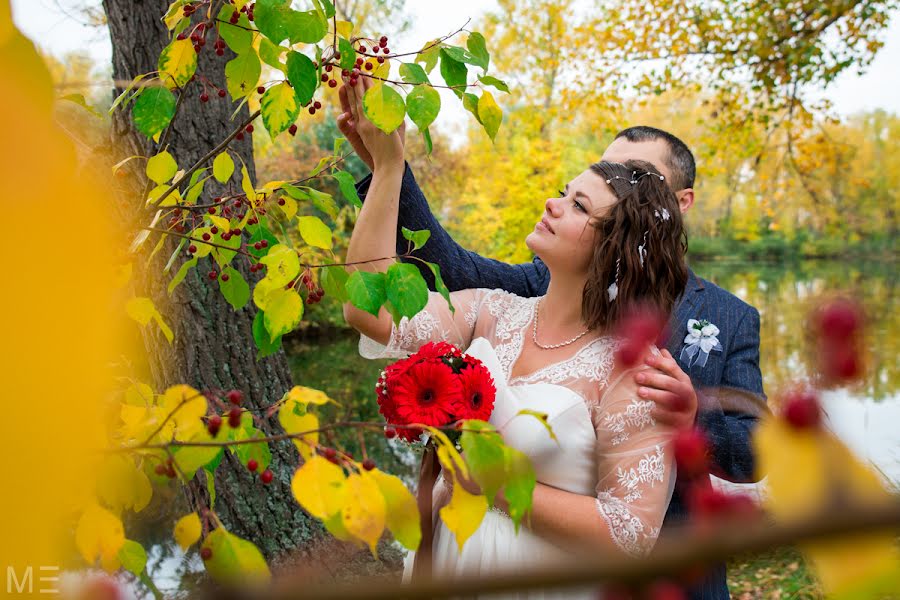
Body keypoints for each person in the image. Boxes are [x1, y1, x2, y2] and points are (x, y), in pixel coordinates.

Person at [337, 84, 766, 598]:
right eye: (567, 191)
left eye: (579, 204)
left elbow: (632, 531)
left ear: (624, 239)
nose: (553, 203)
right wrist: (390, 169)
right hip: (451, 559)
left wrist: (495, 483)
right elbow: (369, 306)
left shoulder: (646, 364)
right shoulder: (493, 311)